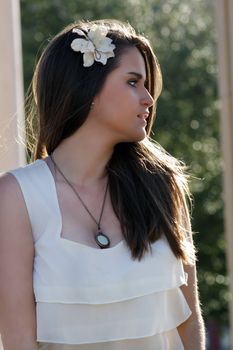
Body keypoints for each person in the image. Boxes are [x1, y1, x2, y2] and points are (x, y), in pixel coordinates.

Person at [0, 19, 205, 349]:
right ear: (89, 88)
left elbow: (189, 323)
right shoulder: (17, 196)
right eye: (133, 82)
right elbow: (19, 340)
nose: (149, 99)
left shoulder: (163, 186)